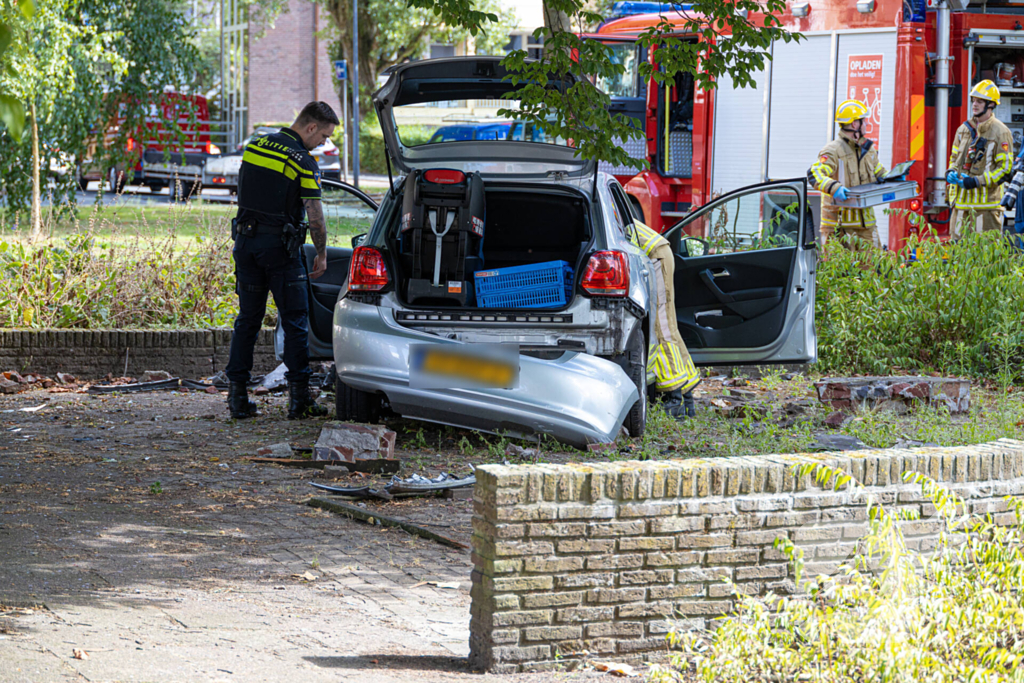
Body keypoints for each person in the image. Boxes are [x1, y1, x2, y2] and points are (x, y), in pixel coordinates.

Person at [225, 101, 339, 420]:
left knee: (248, 319)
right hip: (280, 250)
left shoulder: (256, 144)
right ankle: (299, 400)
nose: (324, 143)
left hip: (246, 244)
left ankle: (236, 398)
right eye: (324, 136)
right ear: (311, 126)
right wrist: (321, 252)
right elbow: (314, 216)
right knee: (294, 321)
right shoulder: (302, 160)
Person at [629, 220, 701, 420]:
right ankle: (687, 401)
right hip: (657, 252)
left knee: (661, 330)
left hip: (654, 256)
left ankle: (674, 400)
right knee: (668, 326)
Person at [807, 99, 890, 249]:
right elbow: (815, 173)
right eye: (863, 121)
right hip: (839, 228)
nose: (866, 124)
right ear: (854, 124)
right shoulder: (833, 150)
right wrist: (834, 187)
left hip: (866, 226)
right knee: (841, 272)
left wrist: (893, 177)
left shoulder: (867, 149)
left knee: (871, 270)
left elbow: (878, 171)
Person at [947, 80, 1013, 239]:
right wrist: (950, 172)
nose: (974, 105)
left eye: (980, 101)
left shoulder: (1001, 132)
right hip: (960, 208)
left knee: (984, 258)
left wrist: (976, 181)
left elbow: (1005, 170)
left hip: (986, 209)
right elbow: (954, 158)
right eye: (973, 101)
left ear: (991, 105)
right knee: (958, 257)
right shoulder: (963, 130)